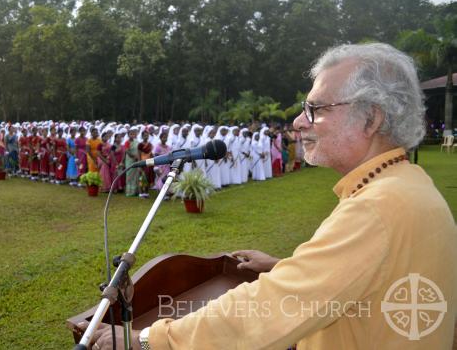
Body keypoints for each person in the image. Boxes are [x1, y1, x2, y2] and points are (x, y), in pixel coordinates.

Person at [90, 43, 457, 350]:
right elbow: (369, 279)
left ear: (371, 118)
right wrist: (282, 267)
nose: (298, 122)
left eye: (316, 110)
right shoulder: (409, 185)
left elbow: (268, 308)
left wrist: (148, 339)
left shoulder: (378, 209)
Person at [124, 128, 140, 197]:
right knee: (129, 175)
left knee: (136, 175)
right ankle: (130, 192)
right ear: (128, 135)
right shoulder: (127, 142)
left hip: (136, 160)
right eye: (131, 134)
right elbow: (127, 151)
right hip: (130, 160)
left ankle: (136, 191)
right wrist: (134, 157)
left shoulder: (136, 141)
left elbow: (139, 150)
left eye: (133, 134)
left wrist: (138, 157)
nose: (132, 135)